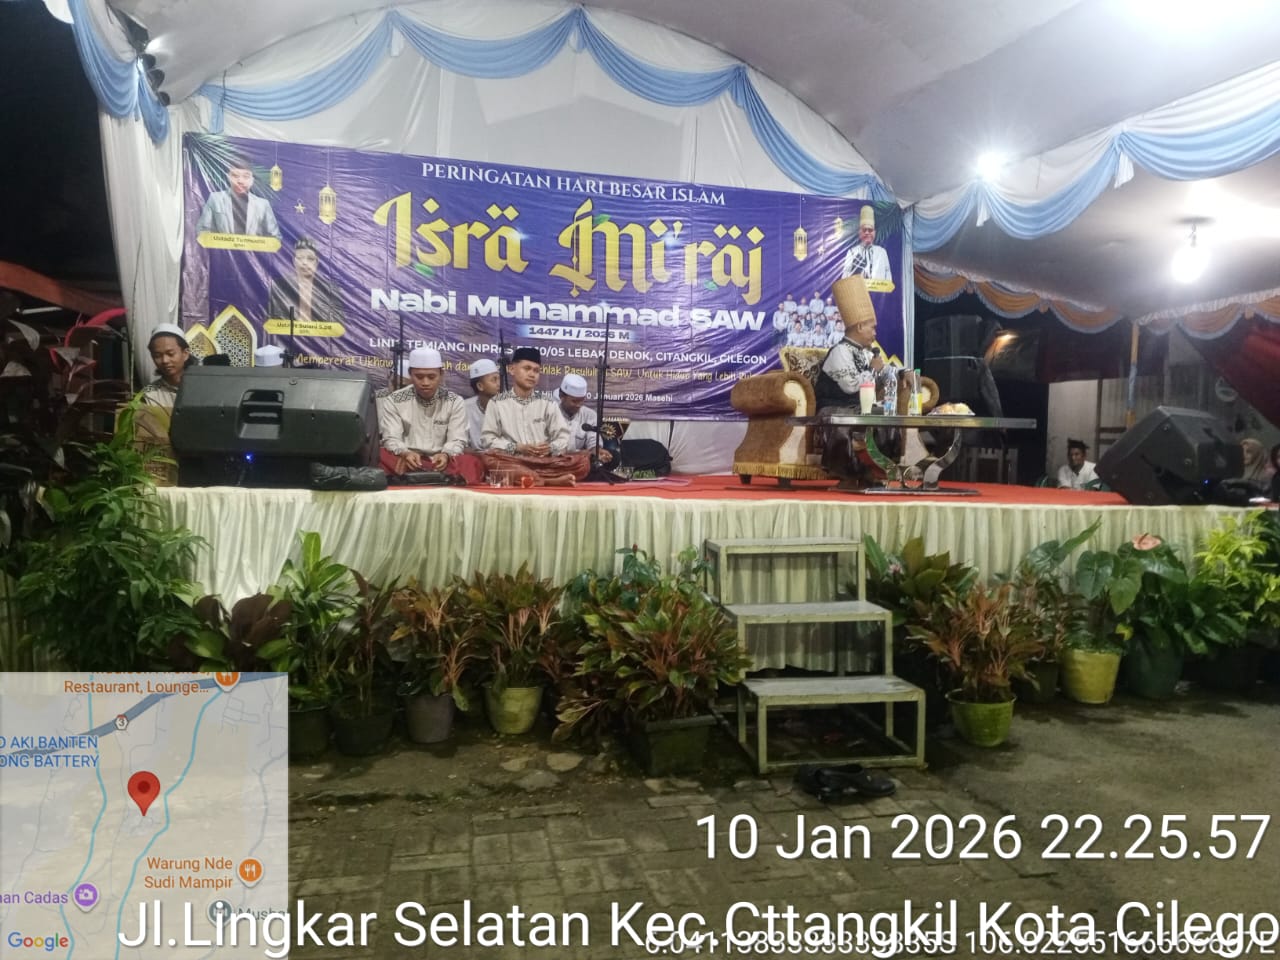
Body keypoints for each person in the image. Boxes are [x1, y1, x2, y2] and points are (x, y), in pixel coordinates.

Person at [480, 346, 590, 485]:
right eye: (527, 368)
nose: (532, 374)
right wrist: (518, 447)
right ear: (512, 369)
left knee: (582, 463)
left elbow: (563, 437)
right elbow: (488, 440)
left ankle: (528, 478)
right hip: (513, 460)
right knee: (489, 458)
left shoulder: (548, 402)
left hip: (543, 462)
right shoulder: (497, 403)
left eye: (536, 370)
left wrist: (550, 448)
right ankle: (549, 482)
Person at [376, 347, 484, 484]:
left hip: (441, 462)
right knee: (381, 456)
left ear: (441, 375)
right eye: (419, 377)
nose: (425, 383)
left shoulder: (454, 401)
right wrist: (405, 453)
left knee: (470, 462)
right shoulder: (395, 400)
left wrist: (446, 454)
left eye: (431, 377)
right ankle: (438, 481)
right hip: (407, 460)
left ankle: (421, 480)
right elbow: (391, 437)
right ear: (410, 374)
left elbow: (457, 439)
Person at [195, 156, 281, 240]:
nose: (240, 181)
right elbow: (202, 230)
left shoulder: (262, 205)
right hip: (222, 249)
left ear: (252, 180)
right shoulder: (215, 199)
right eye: (235, 176)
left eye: (246, 176)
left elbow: (274, 237)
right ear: (228, 177)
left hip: (254, 250)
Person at [266, 237, 345, 326]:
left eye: (310, 259)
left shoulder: (331, 290)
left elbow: (337, 324)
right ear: (294, 261)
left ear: (316, 262)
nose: (304, 263)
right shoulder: (281, 287)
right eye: (300, 258)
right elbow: (273, 321)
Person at [141, 323, 197, 409]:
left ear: (185, 354)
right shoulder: (149, 395)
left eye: (170, 354)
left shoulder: (202, 386)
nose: (164, 360)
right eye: (157, 356)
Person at [840, 205, 892, 284]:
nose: (867, 233)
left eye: (870, 230)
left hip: (878, 291)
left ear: (874, 233)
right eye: (864, 230)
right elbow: (844, 279)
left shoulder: (882, 253)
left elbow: (888, 279)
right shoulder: (852, 253)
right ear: (859, 233)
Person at [463, 358, 501, 449]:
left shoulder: (506, 406)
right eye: (494, 380)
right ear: (480, 386)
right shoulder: (464, 407)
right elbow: (460, 445)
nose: (498, 384)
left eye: (498, 379)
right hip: (474, 456)